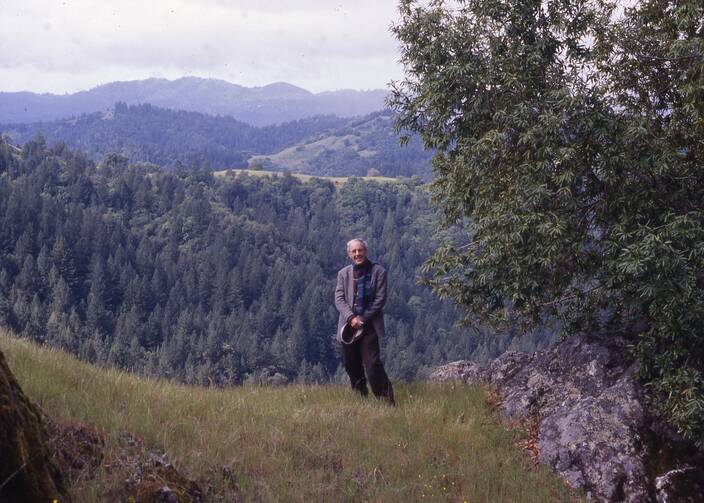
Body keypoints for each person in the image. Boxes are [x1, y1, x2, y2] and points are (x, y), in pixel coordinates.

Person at [334, 238, 395, 405]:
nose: (357, 254)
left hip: (369, 327)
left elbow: (380, 300)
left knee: (373, 365)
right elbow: (339, 299)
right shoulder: (343, 274)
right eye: (353, 251)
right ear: (348, 254)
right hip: (348, 327)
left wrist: (362, 318)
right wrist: (351, 318)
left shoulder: (379, 272)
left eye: (360, 250)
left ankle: (386, 400)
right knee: (351, 365)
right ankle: (360, 398)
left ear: (365, 251)